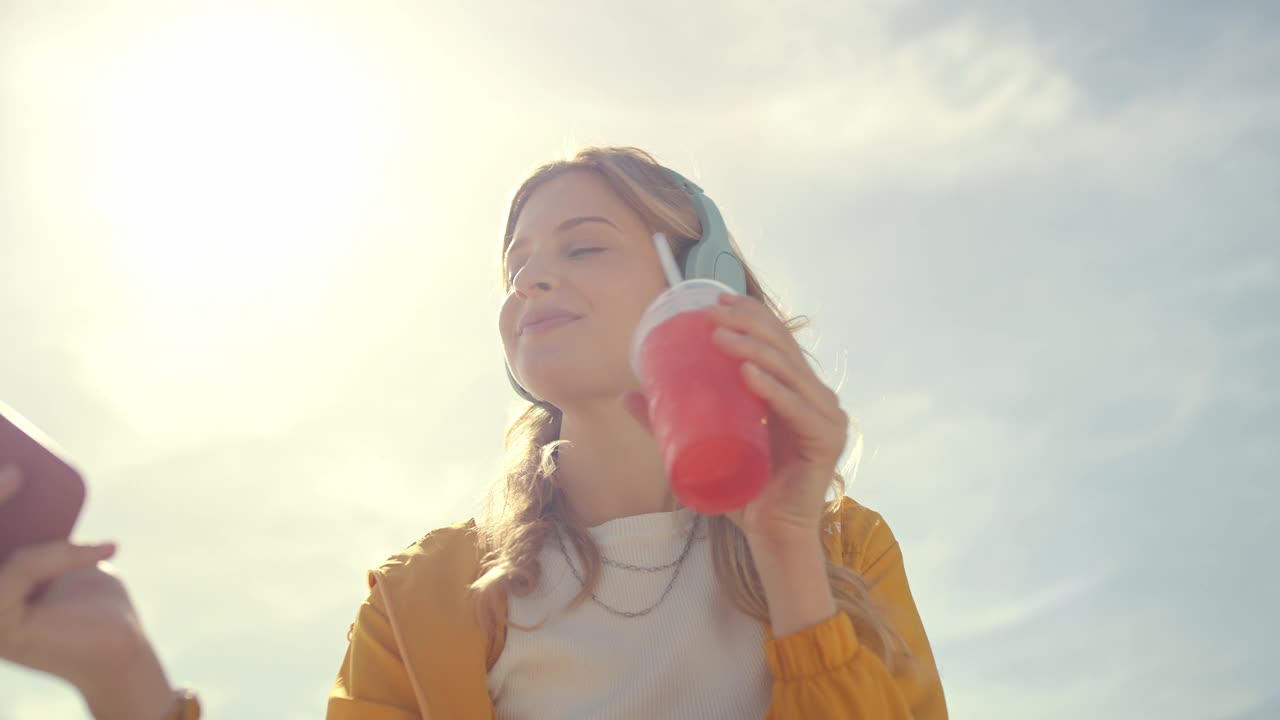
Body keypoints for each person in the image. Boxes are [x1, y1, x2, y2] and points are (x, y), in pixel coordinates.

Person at [0, 146, 947, 719]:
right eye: (517, 264)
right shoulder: (424, 600)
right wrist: (125, 684)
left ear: (701, 283)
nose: (531, 280)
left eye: (582, 247)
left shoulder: (841, 551)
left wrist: (783, 556)